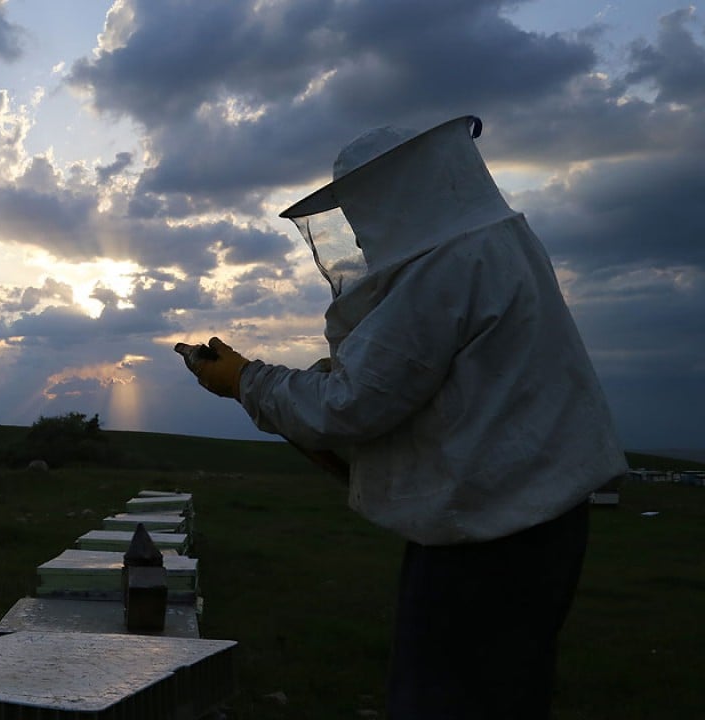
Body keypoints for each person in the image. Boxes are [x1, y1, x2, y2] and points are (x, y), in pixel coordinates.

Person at [181, 116, 628, 719]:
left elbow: (351, 406)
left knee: (447, 700)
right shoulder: (500, 243)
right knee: (506, 694)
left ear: (396, 194)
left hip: (488, 534)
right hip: (531, 516)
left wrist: (245, 380)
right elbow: (430, 377)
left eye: (362, 211)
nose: (361, 235)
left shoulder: (444, 266)